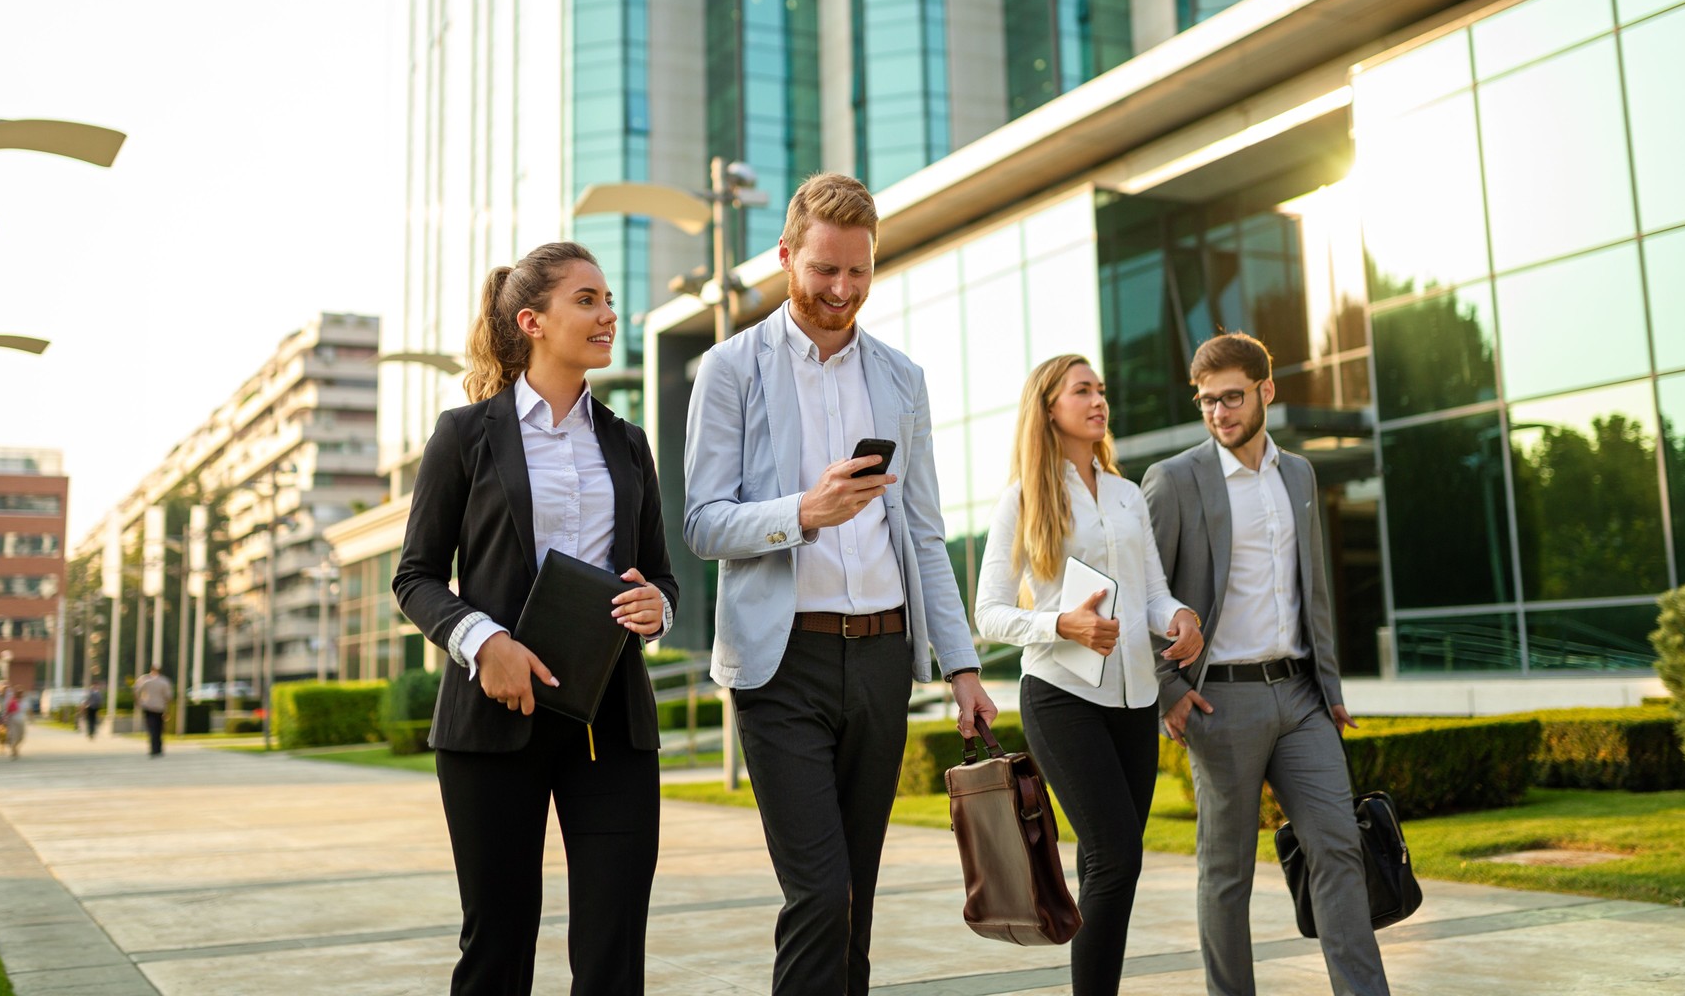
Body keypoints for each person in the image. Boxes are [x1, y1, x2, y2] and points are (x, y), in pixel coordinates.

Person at [683, 172, 996, 996]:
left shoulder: (901, 377)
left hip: (884, 657)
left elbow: (924, 533)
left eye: (858, 271)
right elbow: (703, 522)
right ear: (786, 256)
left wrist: (962, 668)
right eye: (825, 269)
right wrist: (805, 511)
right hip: (783, 664)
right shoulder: (729, 369)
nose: (842, 290)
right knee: (819, 894)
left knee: (856, 898)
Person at [393, 241, 677, 996]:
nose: (608, 314)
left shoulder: (628, 443)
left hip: (608, 723)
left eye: (609, 299)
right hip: (493, 719)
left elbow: (663, 576)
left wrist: (660, 608)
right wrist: (484, 643)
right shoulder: (465, 435)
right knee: (498, 946)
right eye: (587, 300)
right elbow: (415, 576)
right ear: (533, 321)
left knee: (614, 954)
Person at [1145, 333, 1390, 996]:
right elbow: (1142, 591)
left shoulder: (1299, 474)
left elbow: (1314, 591)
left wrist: (1331, 685)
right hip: (1222, 703)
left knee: (1338, 848)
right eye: (1206, 402)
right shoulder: (1175, 481)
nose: (1219, 412)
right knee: (1228, 874)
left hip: (1301, 696)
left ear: (1266, 392)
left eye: (1231, 397)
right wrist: (1168, 688)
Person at [973, 355, 1206, 994]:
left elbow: (1152, 593)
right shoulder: (1023, 496)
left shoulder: (1127, 494)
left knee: (1114, 865)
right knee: (1115, 855)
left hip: (1135, 699)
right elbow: (987, 611)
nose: (1098, 400)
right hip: (1062, 695)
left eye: (1101, 389)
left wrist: (1180, 616)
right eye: (1082, 390)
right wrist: (1059, 625)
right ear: (1050, 407)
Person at [133, 666, 173, 757]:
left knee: (151, 728)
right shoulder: (164, 681)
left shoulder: (145, 680)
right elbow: (168, 696)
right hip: (160, 707)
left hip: (148, 707)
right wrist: (167, 708)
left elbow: (136, 690)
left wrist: (139, 702)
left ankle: (153, 748)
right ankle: (158, 748)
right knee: (159, 728)